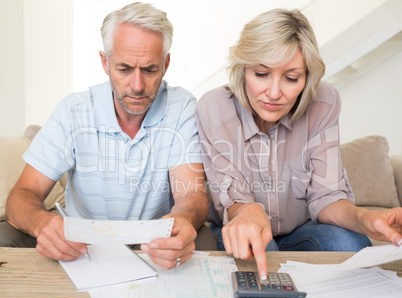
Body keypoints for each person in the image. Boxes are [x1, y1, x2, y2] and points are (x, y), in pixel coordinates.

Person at [4, 2, 214, 270]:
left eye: (150, 70)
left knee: (204, 239)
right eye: (124, 69)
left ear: (166, 64)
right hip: (80, 245)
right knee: (5, 236)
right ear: (105, 62)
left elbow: (191, 195)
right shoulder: (73, 111)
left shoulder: (182, 107)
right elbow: (23, 193)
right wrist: (42, 223)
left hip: (153, 244)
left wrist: (183, 219)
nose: (137, 86)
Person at [195, 8, 402, 280]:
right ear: (243, 68)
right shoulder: (214, 108)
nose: (274, 92)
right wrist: (250, 210)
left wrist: (364, 218)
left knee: (350, 243)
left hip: (301, 231)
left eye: (292, 78)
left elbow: (326, 197)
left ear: (307, 78)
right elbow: (232, 200)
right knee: (256, 249)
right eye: (261, 74)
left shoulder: (324, 103)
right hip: (245, 227)